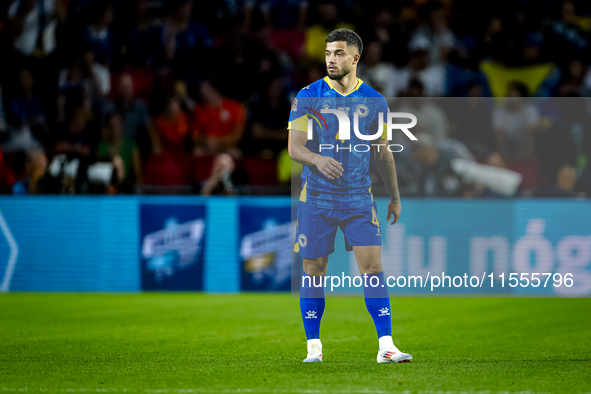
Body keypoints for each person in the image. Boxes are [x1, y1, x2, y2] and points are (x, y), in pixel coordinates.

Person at [288, 29, 412, 364]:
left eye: (339, 53)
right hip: (315, 197)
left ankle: (386, 345)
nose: (331, 59)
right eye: (328, 53)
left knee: (373, 268)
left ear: (355, 58)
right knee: (314, 269)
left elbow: (383, 152)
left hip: (359, 199)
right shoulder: (308, 96)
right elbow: (294, 147)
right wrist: (316, 159)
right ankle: (314, 347)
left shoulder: (374, 101)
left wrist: (395, 197)